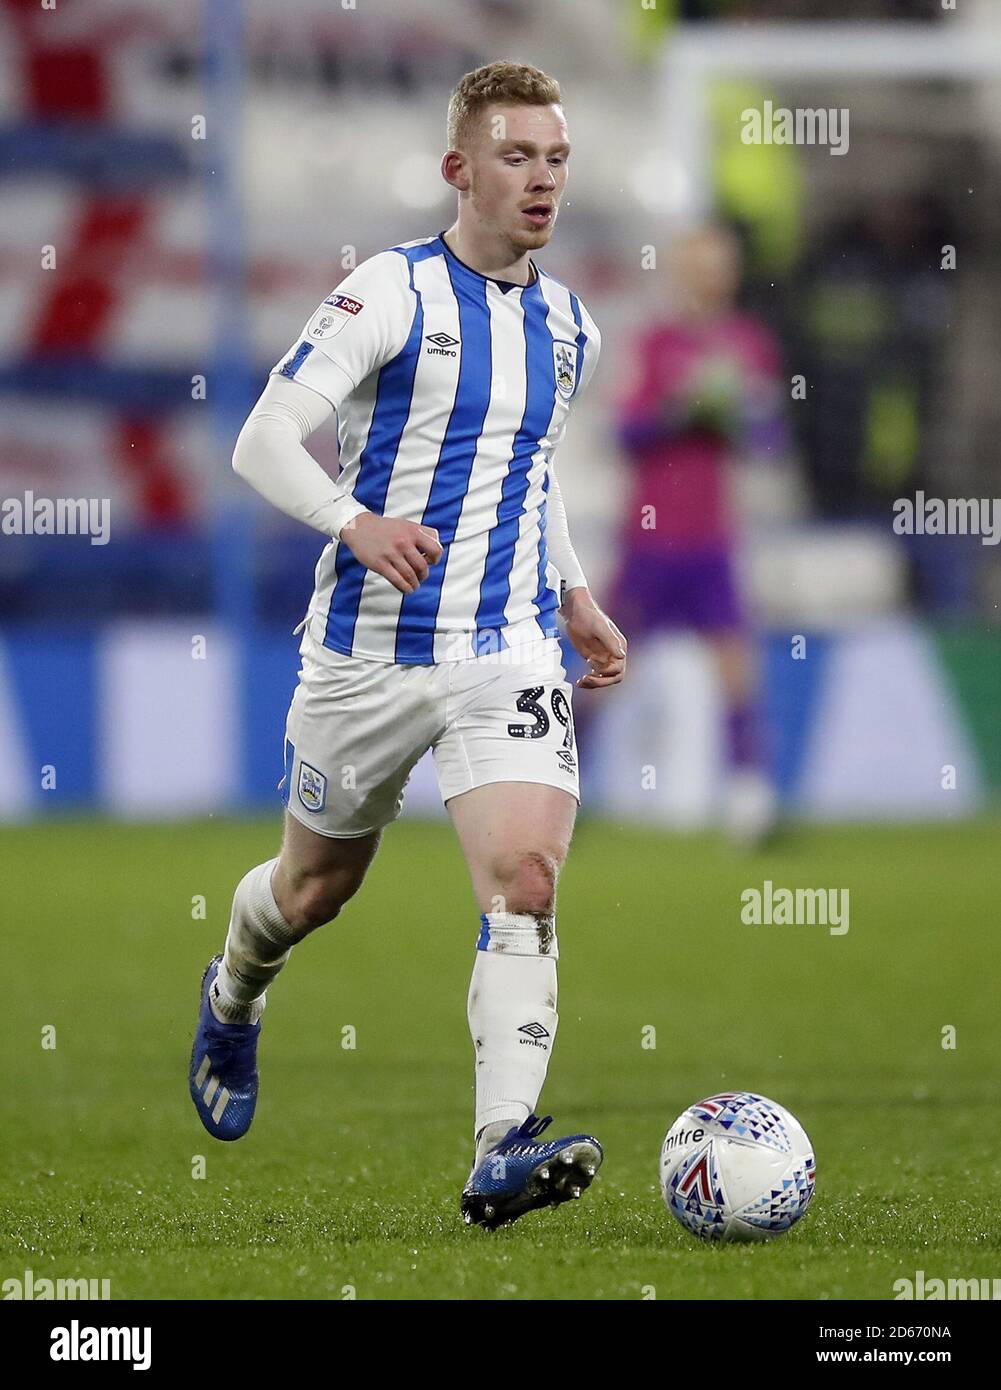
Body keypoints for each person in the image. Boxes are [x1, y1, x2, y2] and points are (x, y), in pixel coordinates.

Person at [188, 61, 626, 1231]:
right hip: (366, 657)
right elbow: (264, 438)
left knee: (525, 882)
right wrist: (354, 521)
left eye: (557, 158)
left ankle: (500, 1146)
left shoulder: (568, 323)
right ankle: (233, 991)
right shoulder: (389, 291)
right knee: (313, 889)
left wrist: (572, 593)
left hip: (508, 650)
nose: (542, 180)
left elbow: (527, 473)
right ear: (459, 169)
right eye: (518, 156)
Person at [612, 224, 783, 843]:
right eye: (699, 264)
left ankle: (749, 803)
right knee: (608, 668)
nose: (710, 275)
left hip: (713, 537)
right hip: (651, 536)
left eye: (720, 264)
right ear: (680, 271)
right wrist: (682, 410)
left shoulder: (748, 344)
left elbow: (770, 440)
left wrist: (737, 413)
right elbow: (625, 435)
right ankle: (553, 795)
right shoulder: (654, 344)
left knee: (737, 667)